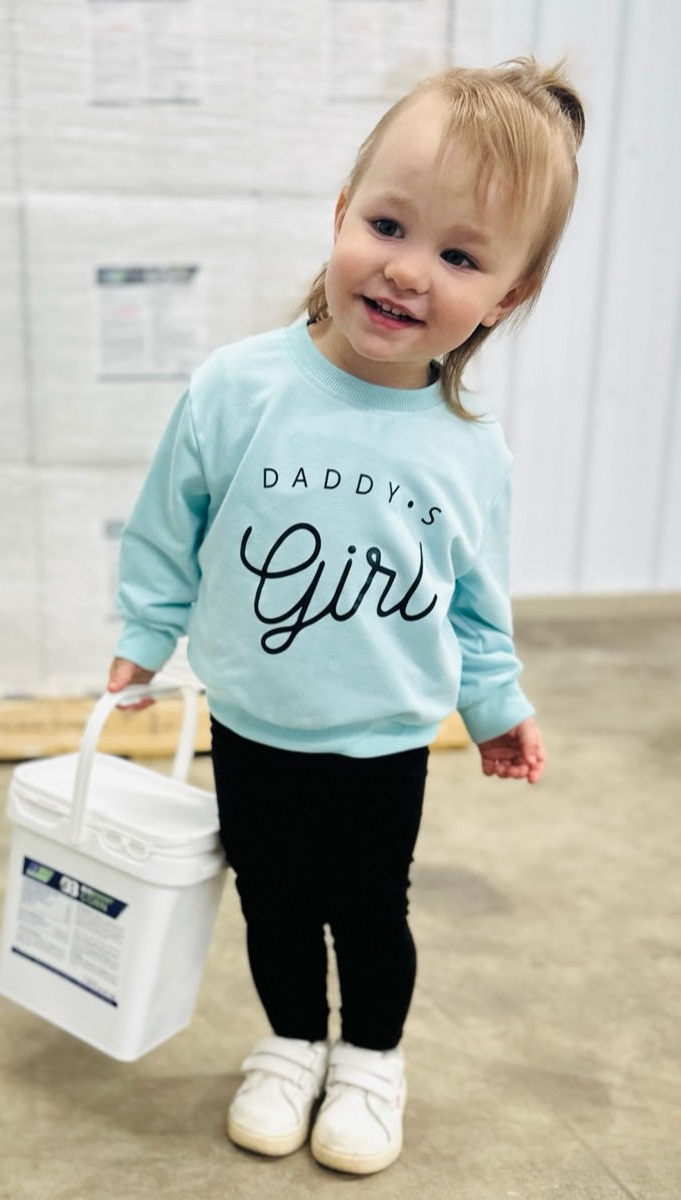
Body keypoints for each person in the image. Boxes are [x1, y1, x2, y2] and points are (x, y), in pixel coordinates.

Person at [107, 58, 584, 1175]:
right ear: (339, 215)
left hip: (383, 737)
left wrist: (497, 703)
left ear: (505, 297)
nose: (410, 271)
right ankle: (288, 1044)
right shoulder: (238, 388)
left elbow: (476, 603)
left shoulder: (470, 453)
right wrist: (144, 632)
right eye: (388, 224)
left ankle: (371, 1060)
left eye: (461, 256)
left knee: (369, 910)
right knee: (273, 904)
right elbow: (167, 525)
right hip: (257, 717)